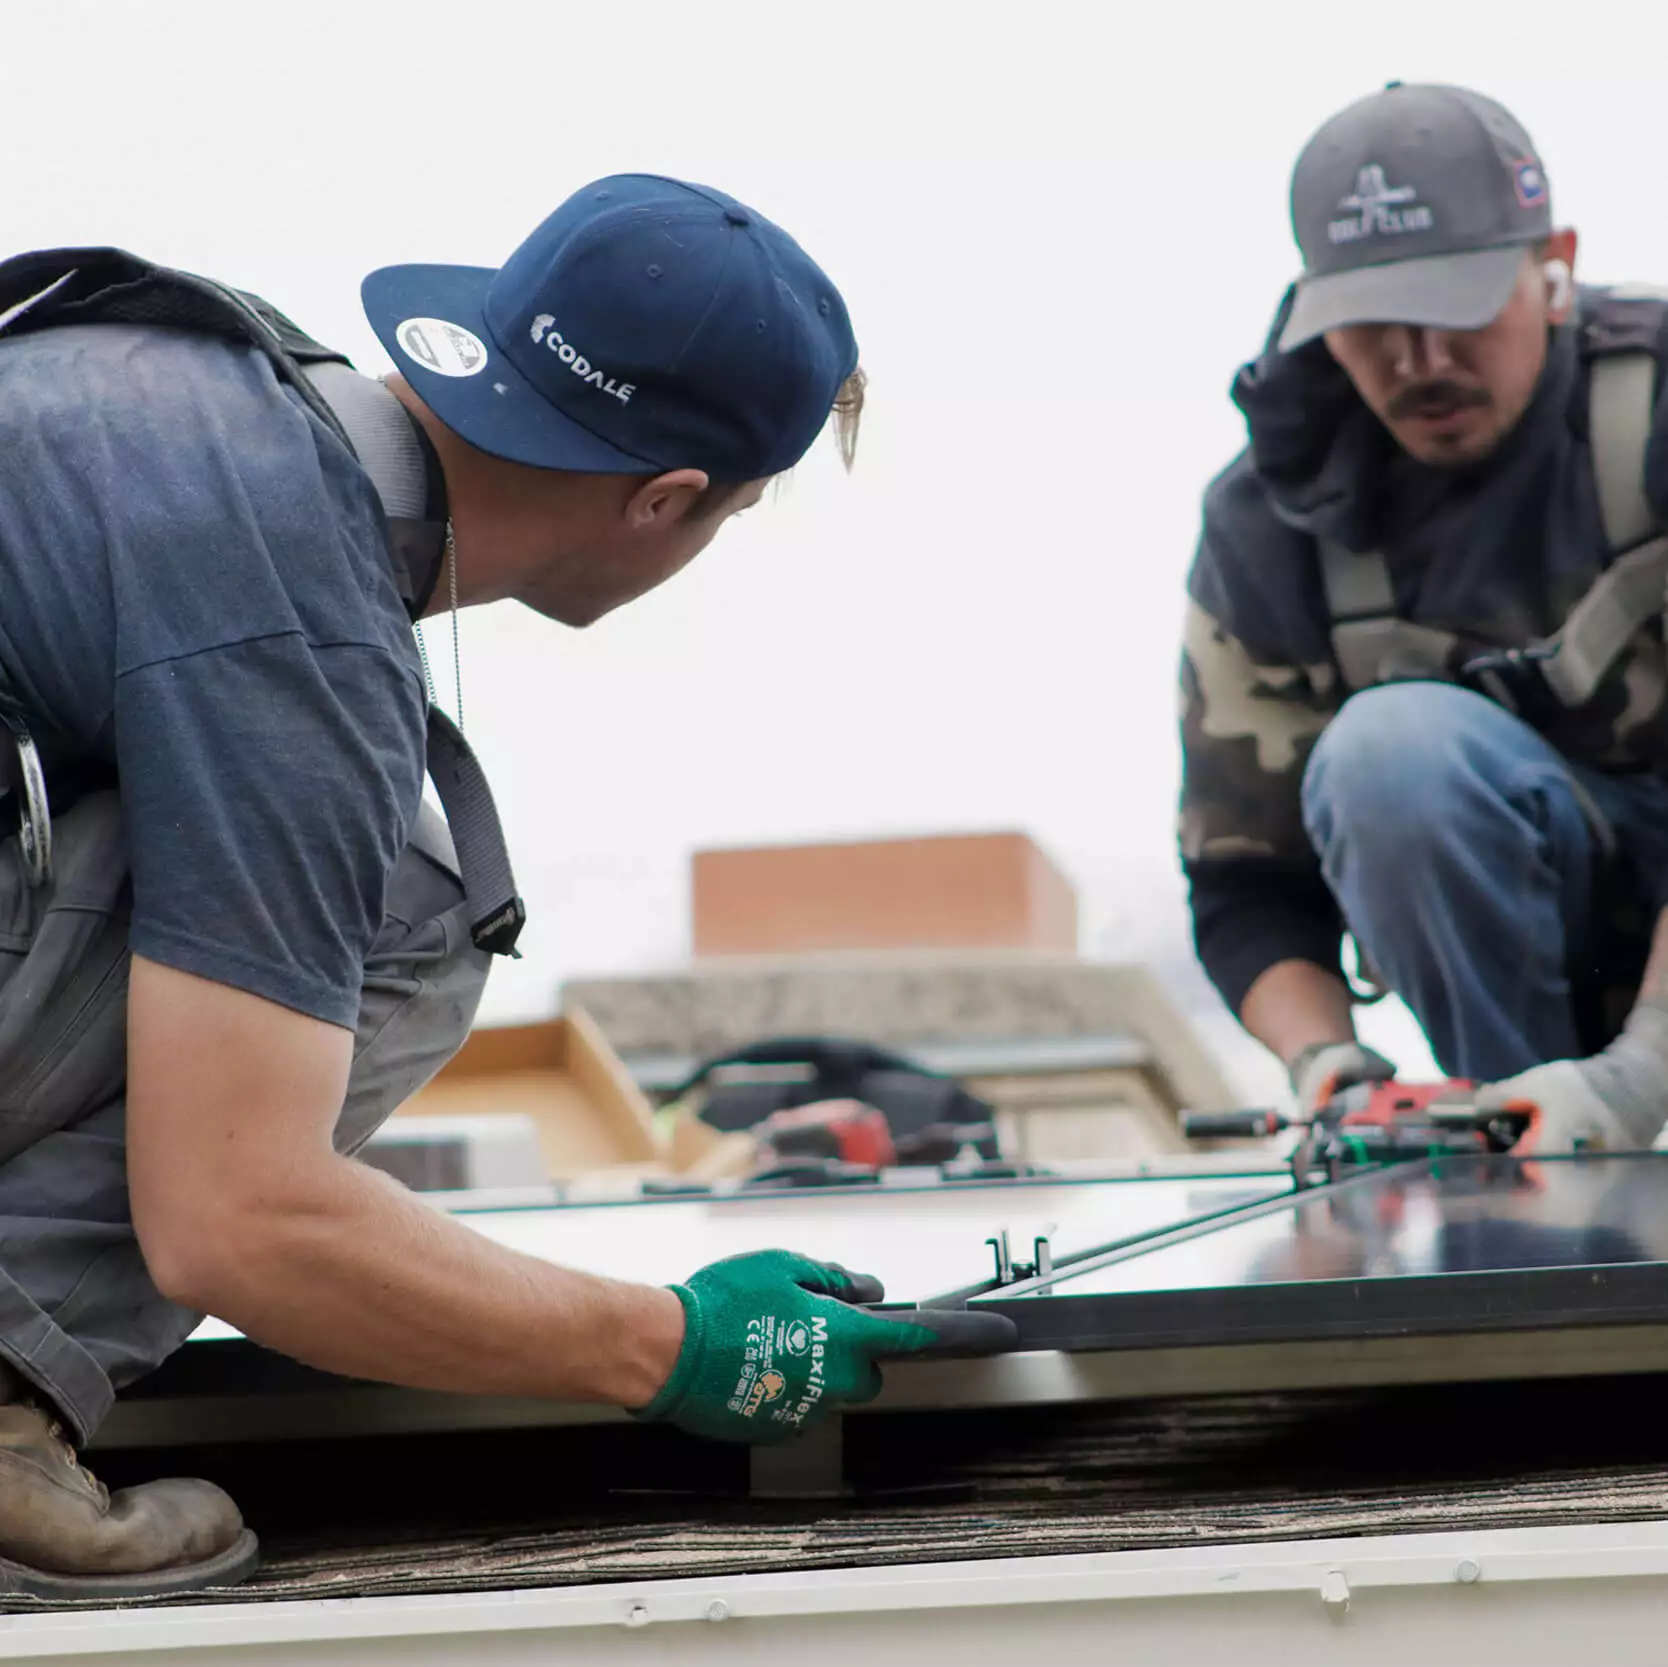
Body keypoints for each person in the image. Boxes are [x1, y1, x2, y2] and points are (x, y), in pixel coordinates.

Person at [0, 174, 1013, 1599]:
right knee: (412, 907)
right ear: (666, 500)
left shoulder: (166, 377)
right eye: (730, 512)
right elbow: (237, 1216)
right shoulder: (293, 631)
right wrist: (671, 1342)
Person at [1177, 82, 1668, 1158]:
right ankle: (1524, 1165)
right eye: (1372, 324)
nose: (1420, 360)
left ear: (1555, 267)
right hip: (1532, 977)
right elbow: (1246, 881)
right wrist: (1324, 1060)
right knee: (1391, 755)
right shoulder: (1269, 521)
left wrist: (1644, 1075)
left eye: (1456, 308)